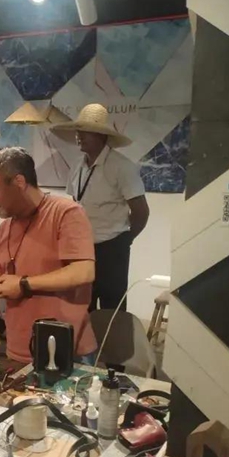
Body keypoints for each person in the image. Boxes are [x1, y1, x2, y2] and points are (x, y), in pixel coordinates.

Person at [0, 146, 97, 364]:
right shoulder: (4, 229)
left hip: (65, 351)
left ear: (19, 182)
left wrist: (23, 284)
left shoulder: (66, 213)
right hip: (17, 349)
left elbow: (84, 271)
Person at [54, 103, 149, 311]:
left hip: (112, 248)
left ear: (101, 135)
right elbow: (75, 203)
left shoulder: (121, 166)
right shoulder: (78, 166)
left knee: (111, 309)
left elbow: (141, 211)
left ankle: (111, 337)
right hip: (83, 248)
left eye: (85, 131)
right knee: (81, 306)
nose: (79, 136)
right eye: (78, 131)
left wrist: (125, 240)